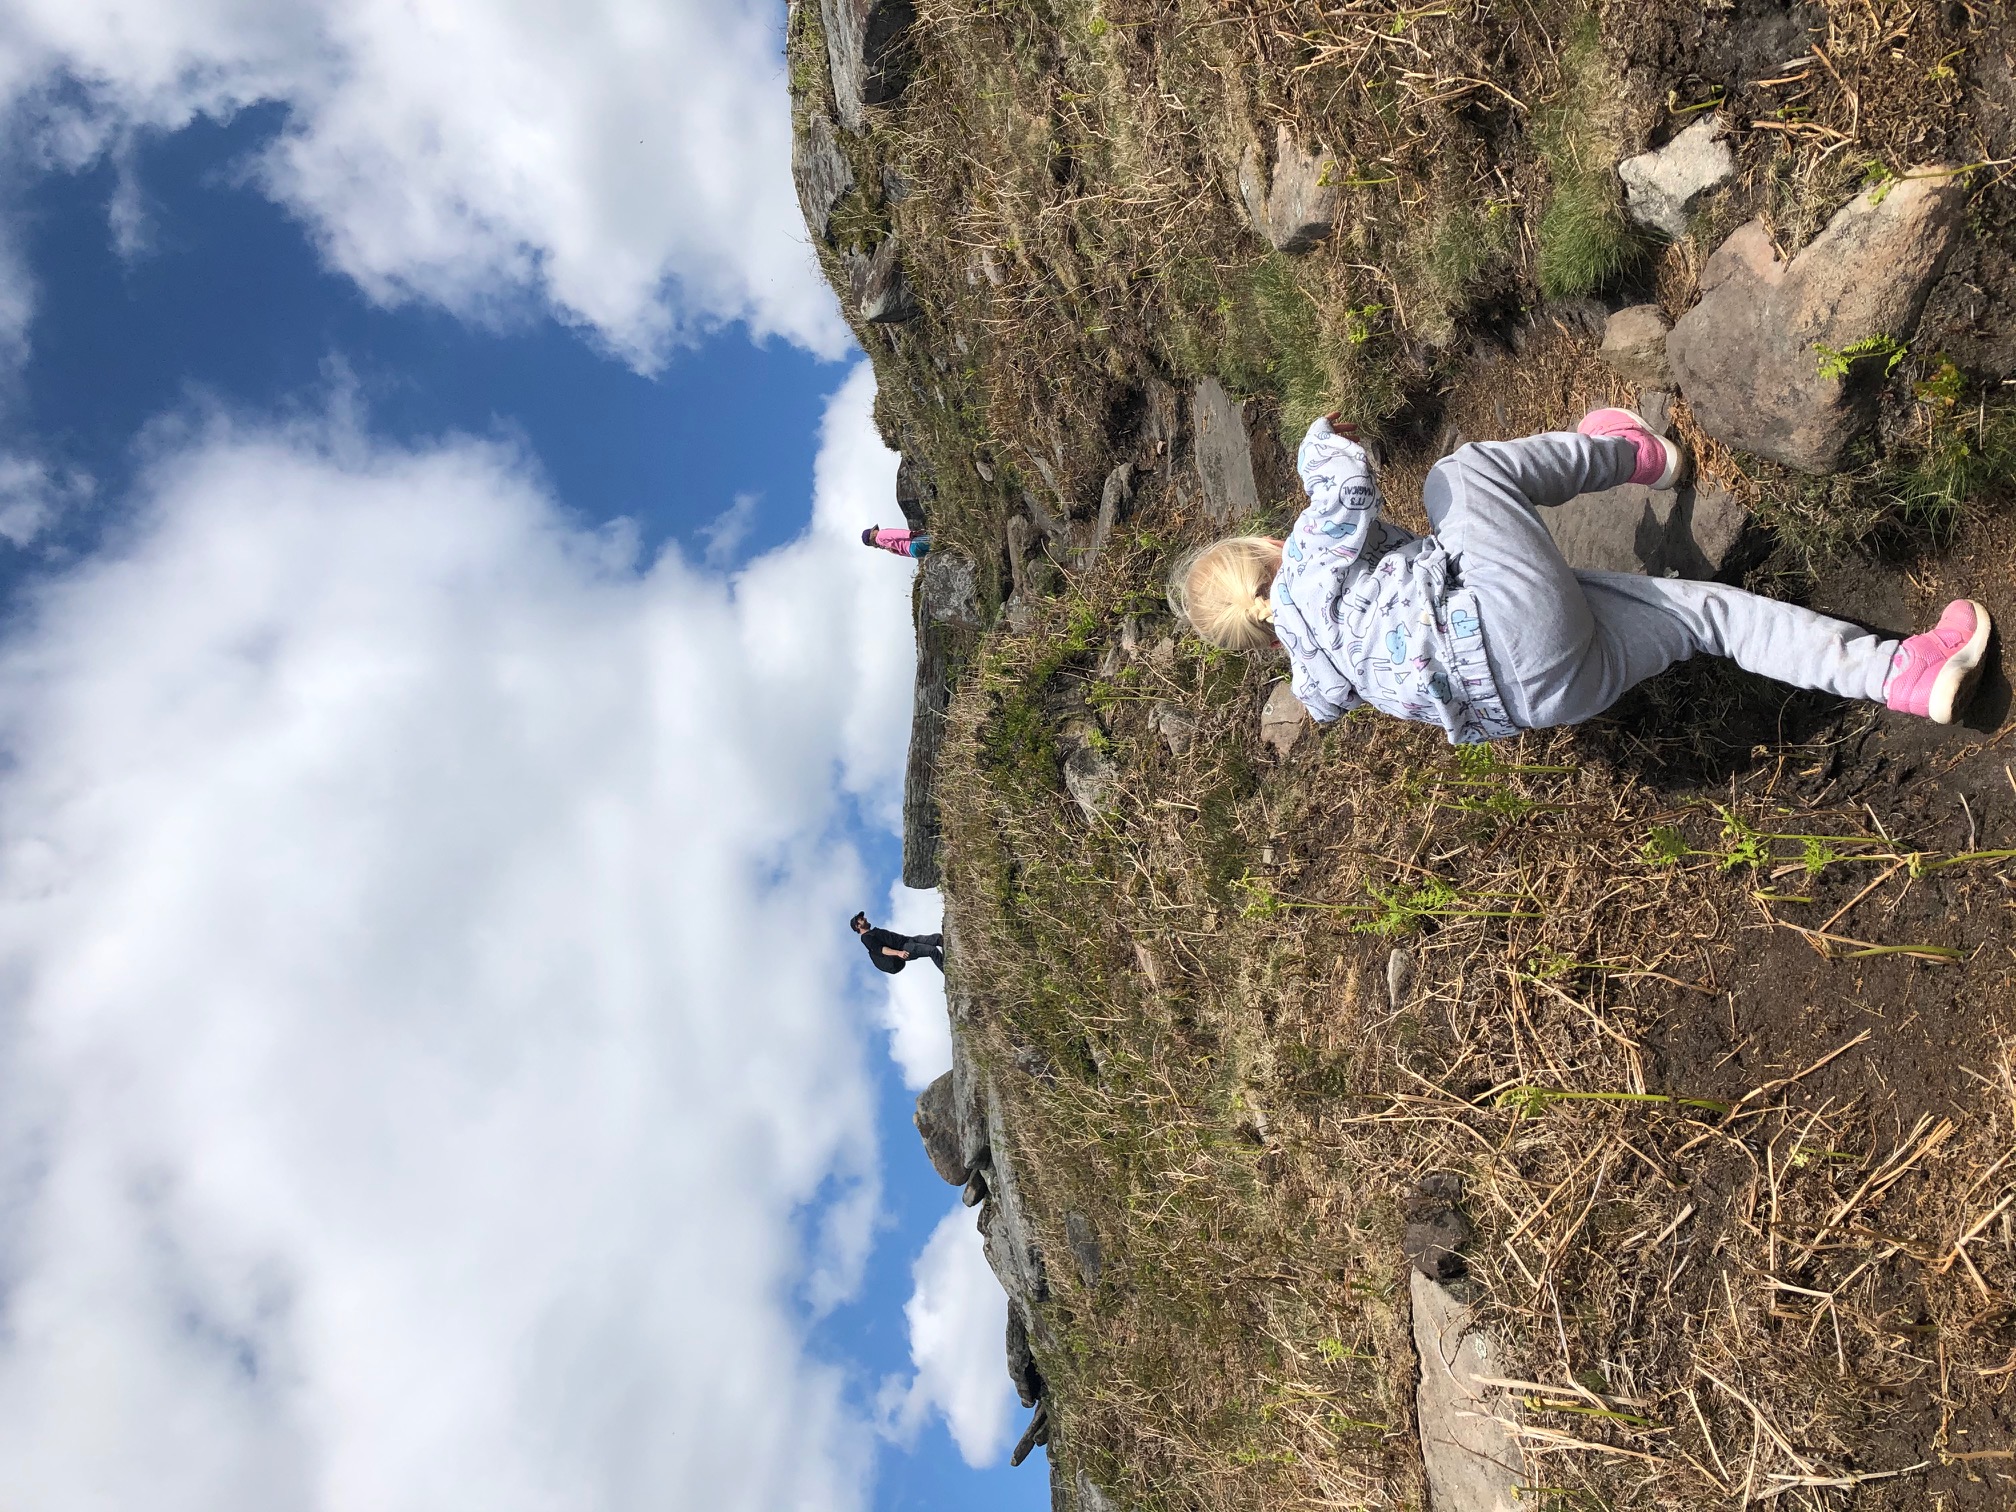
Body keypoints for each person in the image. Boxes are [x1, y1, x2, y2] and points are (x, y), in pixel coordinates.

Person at [1169, 408, 1993, 742]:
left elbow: (1320, 706)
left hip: (1542, 701)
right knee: (1457, 478)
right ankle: (1635, 452)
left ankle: (1905, 678)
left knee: (1706, 618)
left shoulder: (1315, 672)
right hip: (1503, 620)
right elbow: (1347, 486)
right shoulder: (1306, 559)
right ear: (1267, 551)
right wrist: (1322, 435)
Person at [851, 911, 944, 973]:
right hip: (904, 948)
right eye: (862, 919)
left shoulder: (872, 932)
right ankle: (949, 971)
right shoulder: (866, 938)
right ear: (858, 926)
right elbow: (881, 950)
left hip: (907, 940)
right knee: (932, 950)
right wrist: (898, 953)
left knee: (937, 938)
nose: (865, 918)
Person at [862, 525, 931, 559]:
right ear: (873, 534)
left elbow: (899, 552)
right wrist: (910, 534)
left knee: (935, 550)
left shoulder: (884, 546)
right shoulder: (881, 534)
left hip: (912, 552)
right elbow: (896, 533)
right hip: (913, 543)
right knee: (936, 539)